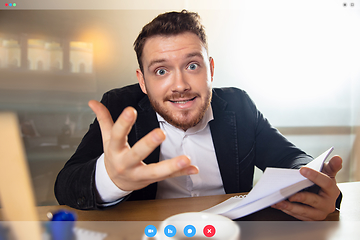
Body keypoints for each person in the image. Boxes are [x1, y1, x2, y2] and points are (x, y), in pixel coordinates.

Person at [55, 10, 342, 221]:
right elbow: (66, 184)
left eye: (192, 66)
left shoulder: (239, 105)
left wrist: (320, 186)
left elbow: (291, 159)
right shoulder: (120, 106)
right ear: (142, 81)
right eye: (161, 71)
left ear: (211, 69)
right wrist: (111, 178)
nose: (180, 85)